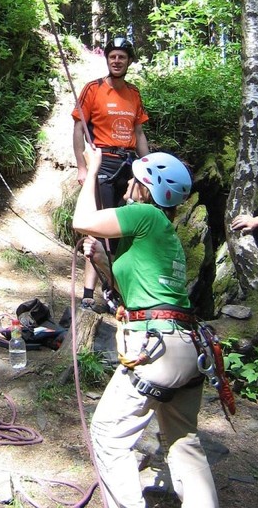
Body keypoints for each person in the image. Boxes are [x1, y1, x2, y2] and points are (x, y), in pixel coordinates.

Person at [72, 143, 219, 508]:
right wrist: (104, 265)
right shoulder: (164, 236)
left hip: (158, 349)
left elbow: (82, 221)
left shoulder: (145, 216)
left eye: (133, 181)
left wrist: (91, 169)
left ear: (147, 188)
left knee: (108, 435)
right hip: (186, 347)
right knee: (183, 441)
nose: (126, 188)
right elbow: (133, 294)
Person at [72, 37, 149, 310]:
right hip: (102, 162)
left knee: (122, 230)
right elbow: (80, 129)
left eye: (122, 57)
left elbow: (139, 133)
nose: (117, 61)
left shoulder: (134, 93)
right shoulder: (93, 89)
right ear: (107, 59)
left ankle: (114, 289)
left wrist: (147, 166)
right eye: (113, 56)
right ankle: (88, 295)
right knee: (98, 227)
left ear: (129, 61)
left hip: (127, 165)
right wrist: (83, 168)